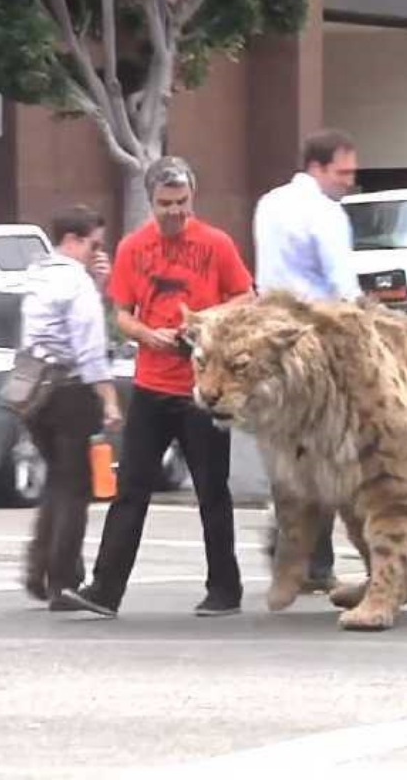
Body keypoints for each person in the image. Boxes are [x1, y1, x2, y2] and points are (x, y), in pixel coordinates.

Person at [56, 156, 255, 618]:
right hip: (151, 383)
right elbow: (122, 313)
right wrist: (146, 334)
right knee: (131, 488)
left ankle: (225, 589)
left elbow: (247, 294)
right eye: (166, 204)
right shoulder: (133, 248)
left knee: (212, 490)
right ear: (151, 201)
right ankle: (105, 590)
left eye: (183, 203)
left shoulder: (216, 243)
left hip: (202, 386)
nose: (175, 212)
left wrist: (206, 323)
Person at [251, 128, 362, 593]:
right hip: (317, 340)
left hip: (272, 338)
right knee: (332, 451)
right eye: (343, 173)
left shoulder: (269, 204)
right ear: (318, 167)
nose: (349, 182)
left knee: (287, 449)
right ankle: (310, 554)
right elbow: (341, 283)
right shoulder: (325, 213)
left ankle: (301, 550)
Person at [19, 206, 123, 606]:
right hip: (71, 390)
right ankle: (62, 580)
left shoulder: (38, 275)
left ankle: (39, 569)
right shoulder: (75, 284)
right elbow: (90, 349)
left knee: (57, 483)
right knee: (75, 487)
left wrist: (97, 282)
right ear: (75, 240)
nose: (99, 252)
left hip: (33, 388)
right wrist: (109, 399)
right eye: (95, 244)